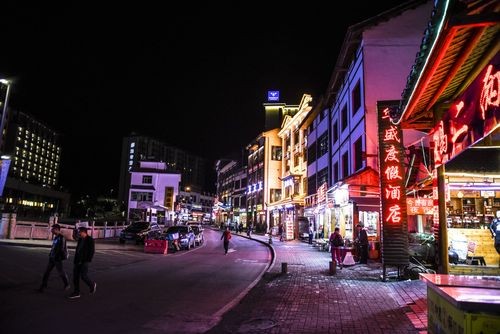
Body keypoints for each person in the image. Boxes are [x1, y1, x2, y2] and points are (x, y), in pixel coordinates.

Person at [38, 224, 70, 292]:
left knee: (61, 272)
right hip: (52, 258)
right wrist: (51, 254)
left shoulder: (62, 238)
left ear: (57, 229)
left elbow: (61, 248)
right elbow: (54, 247)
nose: (51, 230)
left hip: (57, 258)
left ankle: (67, 284)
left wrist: (57, 256)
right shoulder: (56, 237)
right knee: (47, 272)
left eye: (53, 229)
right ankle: (44, 285)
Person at [68, 226, 97, 299]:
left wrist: (87, 260)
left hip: (84, 261)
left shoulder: (90, 240)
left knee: (83, 276)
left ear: (84, 232)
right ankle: (76, 292)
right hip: (77, 260)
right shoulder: (80, 239)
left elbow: (92, 251)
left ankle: (92, 285)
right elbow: (78, 248)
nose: (79, 233)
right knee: (75, 277)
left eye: (80, 232)